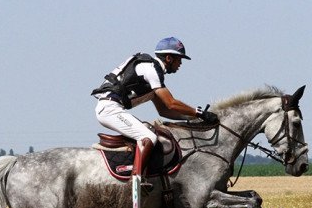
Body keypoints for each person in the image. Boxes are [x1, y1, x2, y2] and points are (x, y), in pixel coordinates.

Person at [92, 37, 218, 186]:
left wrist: (191, 119)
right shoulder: (151, 69)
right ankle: (136, 178)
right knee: (148, 137)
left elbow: (164, 111)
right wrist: (199, 113)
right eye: (179, 59)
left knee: (149, 134)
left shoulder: (154, 74)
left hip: (112, 109)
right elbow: (171, 103)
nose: (181, 64)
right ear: (169, 58)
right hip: (109, 109)